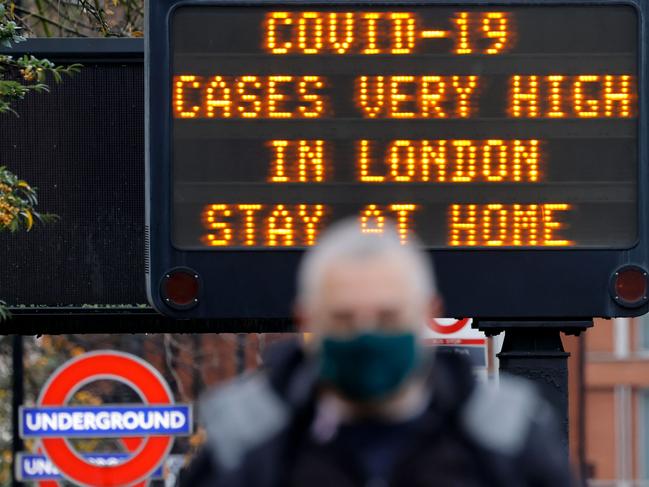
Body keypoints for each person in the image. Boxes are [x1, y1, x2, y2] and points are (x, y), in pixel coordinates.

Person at [178, 219, 572, 487]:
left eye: (387, 316)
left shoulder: (509, 443)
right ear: (306, 318)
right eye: (344, 318)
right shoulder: (242, 450)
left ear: (429, 313)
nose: (366, 336)